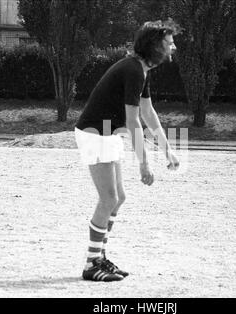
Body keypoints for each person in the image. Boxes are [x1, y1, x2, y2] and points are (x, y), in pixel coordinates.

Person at [74, 20, 181, 282]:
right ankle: (91, 265)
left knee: (118, 198)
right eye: (169, 43)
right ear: (155, 45)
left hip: (106, 133)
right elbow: (133, 121)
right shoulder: (133, 70)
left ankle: (99, 257)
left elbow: (148, 112)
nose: (173, 47)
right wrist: (144, 164)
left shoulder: (141, 69)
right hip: (94, 133)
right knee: (108, 199)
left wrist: (167, 150)